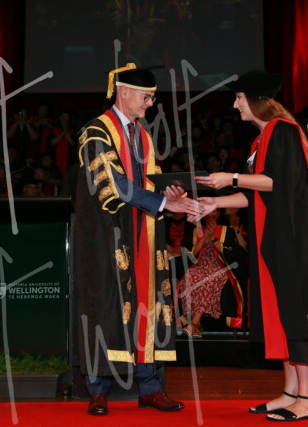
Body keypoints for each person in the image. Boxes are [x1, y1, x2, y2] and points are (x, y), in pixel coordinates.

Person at [193, 70, 308, 422]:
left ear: (256, 100)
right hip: (274, 238)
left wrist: (231, 177)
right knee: (281, 314)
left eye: (239, 98)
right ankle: (291, 392)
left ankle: (307, 398)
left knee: (297, 312)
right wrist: (215, 202)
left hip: (295, 238)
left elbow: (281, 181)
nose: (235, 105)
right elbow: (257, 192)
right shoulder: (261, 140)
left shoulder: (283, 131)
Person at [74, 63, 203, 416]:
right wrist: (163, 202)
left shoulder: (142, 135)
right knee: (106, 305)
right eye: (146, 97)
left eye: (152, 98)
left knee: (149, 305)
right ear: (124, 92)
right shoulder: (96, 131)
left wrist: (169, 193)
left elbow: (149, 181)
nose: (150, 104)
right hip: (107, 236)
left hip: (144, 234)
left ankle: (150, 387)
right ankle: (98, 390)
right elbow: (112, 184)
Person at [177, 209, 246, 337]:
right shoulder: (194, 231)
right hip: (199, 266)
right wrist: (204, 238)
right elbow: (188, 255)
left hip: (220, 267)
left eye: (213, 212)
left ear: (218, 213)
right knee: (189, 276)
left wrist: (213, 237)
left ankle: (194, 323)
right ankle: (197, 326)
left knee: (209, 278)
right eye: (208, 213)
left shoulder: (226, 231)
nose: (210, 215)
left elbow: (233, 255)